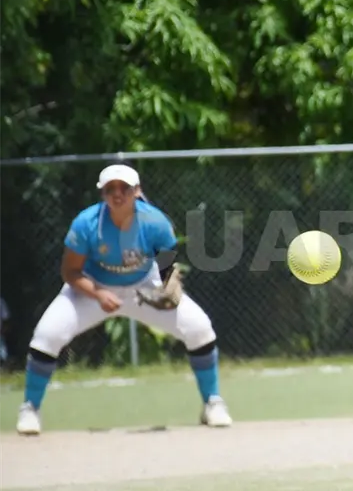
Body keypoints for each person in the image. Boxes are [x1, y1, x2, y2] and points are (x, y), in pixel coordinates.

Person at [16, 163, 232, 435]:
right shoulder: (87, 223)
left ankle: (212, 402)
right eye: (110, 188)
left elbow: (166, 266)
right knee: (46, 335)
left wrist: (168, 287)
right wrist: (97, 293)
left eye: (125, 188)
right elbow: (70, 272)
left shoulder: (156, 222)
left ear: (137, 191)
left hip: (142, 287)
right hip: (91, 289)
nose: (118, 193)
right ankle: (30, 408)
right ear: (102, 193)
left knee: (200, 328)